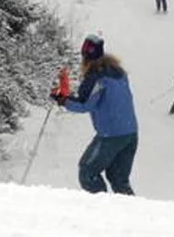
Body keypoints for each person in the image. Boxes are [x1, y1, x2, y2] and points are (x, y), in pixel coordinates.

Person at [52, 34, 139, 194]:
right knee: (118, 179)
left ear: (85, 57)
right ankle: (130, 214)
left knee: (87, 172)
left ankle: (101, 210)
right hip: (130, 133)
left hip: (111, 136)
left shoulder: (96, 76)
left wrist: (63, 100)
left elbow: (84, 104)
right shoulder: (118, 71)